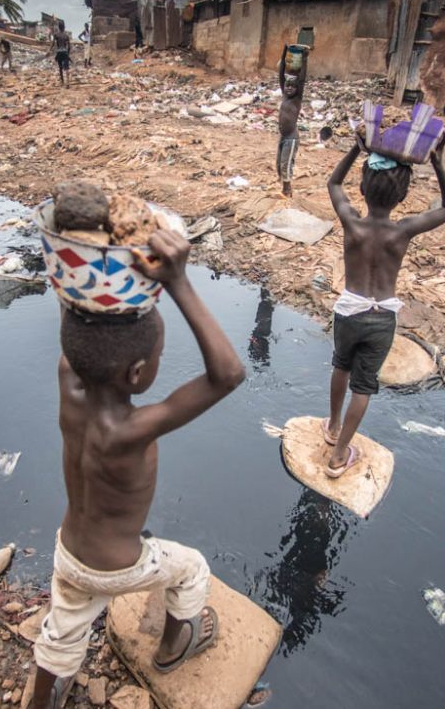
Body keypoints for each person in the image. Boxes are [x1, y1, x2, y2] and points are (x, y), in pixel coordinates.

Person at [30, 230, 247, 708]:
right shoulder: (129, 428)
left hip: (69, 550)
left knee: (64, 629)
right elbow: (228, 374)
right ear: (135, 374)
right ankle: (175, 647)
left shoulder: (69, 376)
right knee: (190, 569)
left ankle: (42, 699)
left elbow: (75, 319)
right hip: (117, 567)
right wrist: (178, 282)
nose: (158, 364)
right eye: (158, 359)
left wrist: (86, 261)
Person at [322, 133, 445, 477]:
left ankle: (333, 426)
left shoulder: (352, 222)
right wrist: (439, 163)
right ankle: (339, 456)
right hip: (381, 317)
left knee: (341, 365)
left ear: (364, 190)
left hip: (349, 311)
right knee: (364, 385)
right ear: (403, 196)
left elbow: (334, 182)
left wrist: (357, 147)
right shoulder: (403, 230)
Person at [277, 44, 308, 198]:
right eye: (287, 86)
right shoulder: (285, 94)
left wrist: (305, 57)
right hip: (283, 136)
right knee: (279, 163)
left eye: (292, 87)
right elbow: (281, 74)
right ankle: (284, 186)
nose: (289, 88)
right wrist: (284, 54)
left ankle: (287, 190)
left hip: (291, 138)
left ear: (297, 89)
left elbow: (301, 78)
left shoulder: (296, 99)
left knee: (286, 163)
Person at [53, 21, 72, 87]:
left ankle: (62, 82)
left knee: (60, 68)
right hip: (65, 52)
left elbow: (53, 44)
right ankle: (68, 83)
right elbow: (69, 46)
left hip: (59, 52)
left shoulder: (56, 35)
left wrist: (49, 51)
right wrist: (68, 54)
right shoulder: (66, 35)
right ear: (64, 27)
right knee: (66, 68)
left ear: (58, 27)